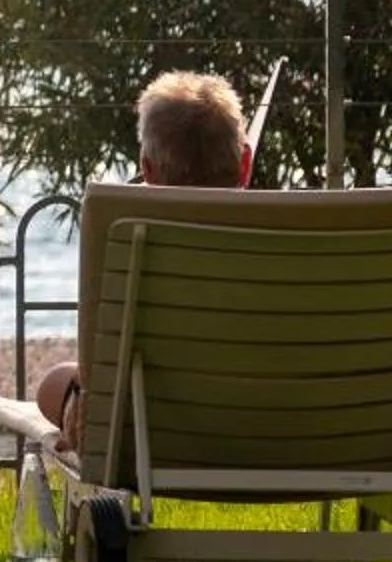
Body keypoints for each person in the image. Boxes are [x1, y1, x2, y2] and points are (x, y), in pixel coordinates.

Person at [33, 71, 249, 440]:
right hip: (270, 424)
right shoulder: (280, 234)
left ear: (147, 168)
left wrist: (81, 394)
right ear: (244, 164)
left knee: (54, 382)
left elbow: (100, 360)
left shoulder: (130, 241)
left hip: (147, 434)